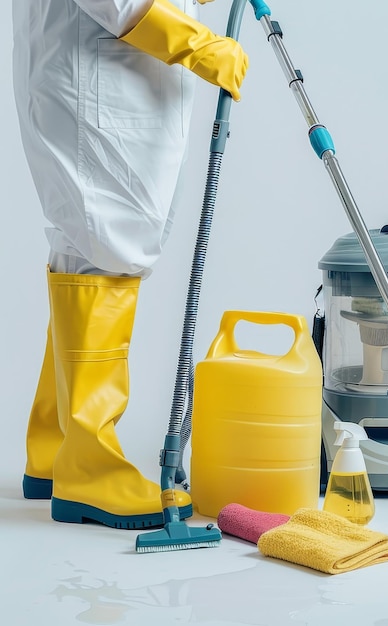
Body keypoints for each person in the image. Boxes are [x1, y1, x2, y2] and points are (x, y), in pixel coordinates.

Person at [12, 0, 248, 529]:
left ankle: (55, 448)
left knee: (86, 249)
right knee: (104, 247)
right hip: (96, 74)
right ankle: (89, 468)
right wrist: (194, 40)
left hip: (114, 74)